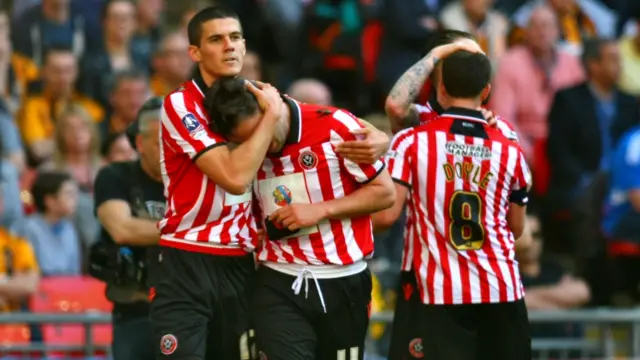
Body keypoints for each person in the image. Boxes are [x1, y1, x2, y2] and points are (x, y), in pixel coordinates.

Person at [154, 5, 389, 359]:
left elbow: (309, 124)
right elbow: (234, 177)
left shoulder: (261, 96)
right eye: (216, 40)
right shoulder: (181, 104)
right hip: (189, 258)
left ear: (246, 46)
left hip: (244, 262)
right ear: (195, 53)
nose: (229, 47)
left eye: (235, 38)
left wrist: (379, 139)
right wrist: (270, 118)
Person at [203, 76, 396, 360]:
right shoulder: (236, 153)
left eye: (263, 132)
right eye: (248, 141)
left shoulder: (334, 126)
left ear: (271, 105)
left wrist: (320, 210)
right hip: (278, 279)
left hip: (344, 280)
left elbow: (385, 195)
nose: (260, 147)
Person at [372, 48, 532, 359]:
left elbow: (385, 217)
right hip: (502, 290)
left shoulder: (412, 142)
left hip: (439, 293)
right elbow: (517, 227)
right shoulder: (510, 147)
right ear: (486, 92)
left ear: (441, 89)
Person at [93, 97, 165, 360]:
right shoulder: (115, 176)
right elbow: (122, 229)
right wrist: (188, 231)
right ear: (139, 143)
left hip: (187, 308)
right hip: (135, 309)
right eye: (161, 142)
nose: (170, 151)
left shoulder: (195, 177)